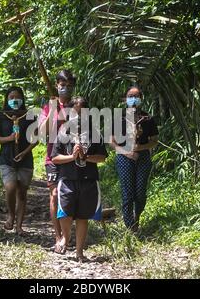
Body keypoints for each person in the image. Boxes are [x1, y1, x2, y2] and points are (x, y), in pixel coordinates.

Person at [51, 97, 108, 262]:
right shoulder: (63, 132)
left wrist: (85, 156)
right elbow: (55, 158)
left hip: (88, 179)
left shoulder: (94, 132)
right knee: (65, 213)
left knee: (83, 217)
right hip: (67, 179)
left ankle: (79, 252)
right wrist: (72, 156)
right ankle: (66, 238)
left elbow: (102, 157)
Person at [110, 86, 158, 232]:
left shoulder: (148, 119)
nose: (133, 98)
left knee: (140, 192)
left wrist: (139, 148)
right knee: (127, 192)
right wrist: (126, 152)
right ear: (125, 99)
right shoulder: (118, 118)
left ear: (141, 99)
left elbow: (154, 140)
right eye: (130, 96)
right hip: (124, 158)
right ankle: (131, 226)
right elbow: (111, 141)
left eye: (136, 96)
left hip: (143, 157)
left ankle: (137, 216)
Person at [0, 86, 37, 236]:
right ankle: (10, 215)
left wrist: (24, 153)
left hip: (25, 159)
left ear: (22, 99)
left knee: (22, 192)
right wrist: (9, 139)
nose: (14, 100)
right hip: (6, 158)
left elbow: (36, 139)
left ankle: (19, 226)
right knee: (10, 188)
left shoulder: (29, 116)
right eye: (11, 98)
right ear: (6, 99)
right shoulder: (2, 116)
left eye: (17, 97)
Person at [38, 69, 75, 249]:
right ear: (56, 85)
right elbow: (41, 132)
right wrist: (53, 111)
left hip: (72, 156)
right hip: (53, 156)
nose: (65, 89)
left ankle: (68, 234)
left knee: (69, 195)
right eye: (62, 86)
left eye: (68, 86)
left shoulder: (77, 106)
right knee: (54, 195)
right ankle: (58, 236)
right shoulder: (48, 107)